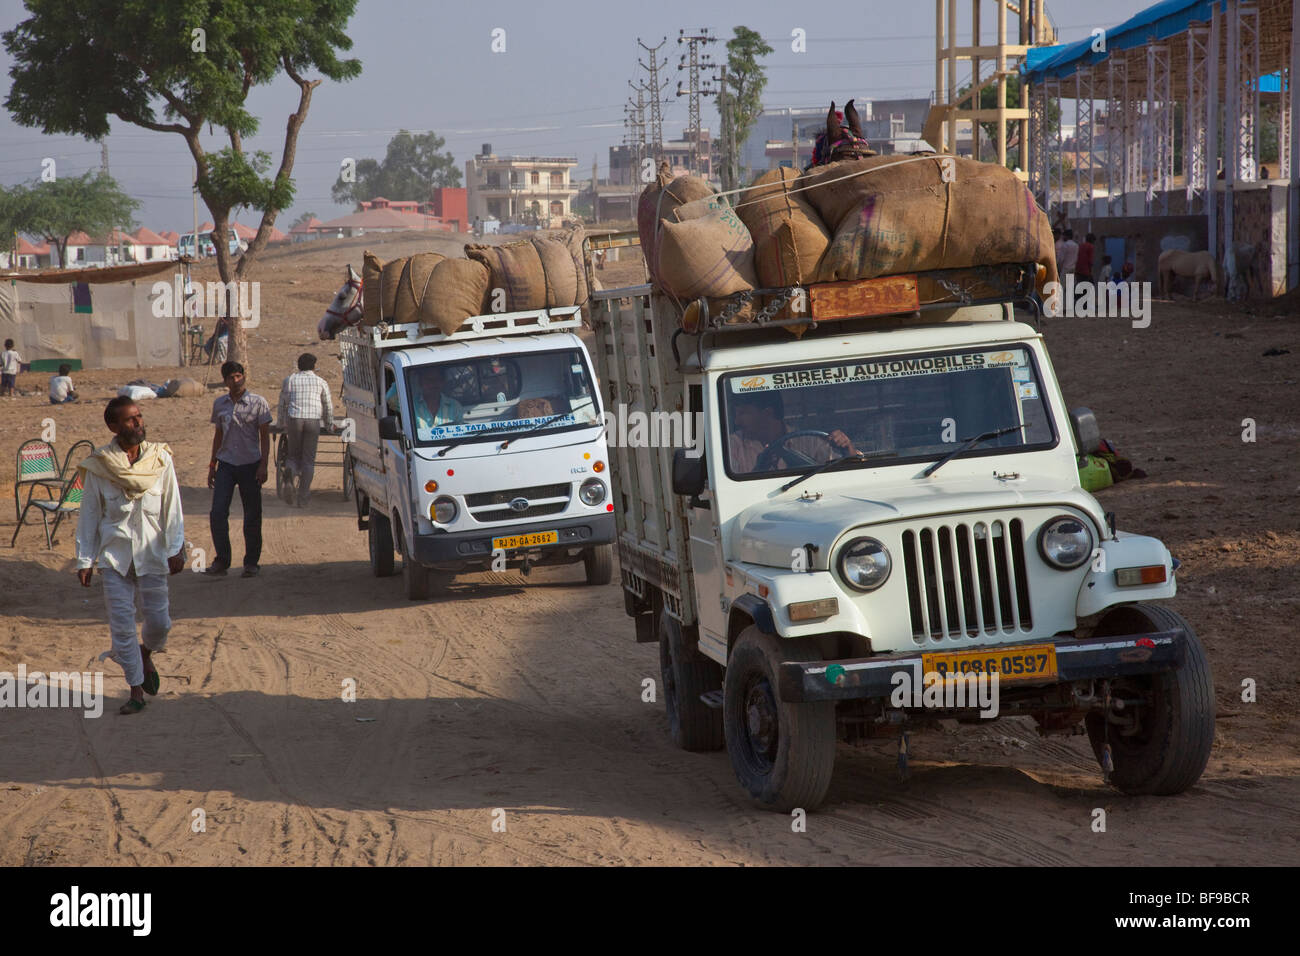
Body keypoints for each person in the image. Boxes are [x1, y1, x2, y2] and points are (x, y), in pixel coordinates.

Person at [74, 397, 185, 715]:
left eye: (139, 417)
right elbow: (90, 515)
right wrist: (85, 559)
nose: (137, 423)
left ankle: (145, 653)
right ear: (113, 426)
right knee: (121, 626)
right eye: (129, 420)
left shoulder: (160, 459)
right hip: (115, 558)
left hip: (153, 554)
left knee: (160, 623)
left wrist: (177, 547)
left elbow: (172, 508)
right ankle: (136, 690)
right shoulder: (100, 465)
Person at [207, 360, 271, 578]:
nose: (235, 381)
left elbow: (265, 436)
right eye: (230, 378)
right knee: (217, 513)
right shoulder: (220, 404)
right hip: (226, 464)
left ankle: (251, 563)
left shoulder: (258, 402)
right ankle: (221, 561)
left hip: (250, 466)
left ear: (244, 376)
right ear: (224, 381)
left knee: (252, 514)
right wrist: (212, 464)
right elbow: (218, 435)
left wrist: (263, 465)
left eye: (238, 376)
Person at [728, 390, 855, 474]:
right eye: (736, 414)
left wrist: (847, 448)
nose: (737, 421)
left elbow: (845, 473)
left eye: (743, 413)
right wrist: (759, 470)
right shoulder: (732, 446)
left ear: (767, 413)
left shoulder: (810, 441)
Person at [277, 352, 335, 507]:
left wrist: (281, 423)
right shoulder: (320, 381)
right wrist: (329, 425)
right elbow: (328, 405)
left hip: (294, 419)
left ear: (299, 365)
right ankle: (302, 498)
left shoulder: (290, 380)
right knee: (308, 460)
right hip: (313, 421)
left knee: (293, 457)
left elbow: (283, 403)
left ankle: (290, 474)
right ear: (314, 366)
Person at [385, 365, 464, 436]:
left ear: (443, 382)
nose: (434, 384)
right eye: (429, 380)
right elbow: (390, 399)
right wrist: (408, 374)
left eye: (438, 379)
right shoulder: (410, 404)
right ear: (420, 382)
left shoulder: (454, 406)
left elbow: (460, 432)